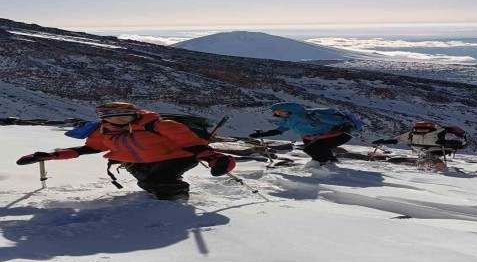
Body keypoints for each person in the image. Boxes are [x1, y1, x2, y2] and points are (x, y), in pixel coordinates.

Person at [16, 102, 236, 201]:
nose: (119, 121)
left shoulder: (161, 124)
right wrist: (51, 155)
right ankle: (163, 200)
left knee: (163, 180)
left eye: (124, 116)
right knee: (148, 182)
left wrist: (213, 157)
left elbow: (190, 142)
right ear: (104, 119)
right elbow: (90, 148)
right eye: (113, 117)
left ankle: (175, 206)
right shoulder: (103, 131)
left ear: (135, 114)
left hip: (176, 157)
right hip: (134, 161)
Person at [248, 103, 354, 167]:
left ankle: (321, 165)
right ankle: (330, 163)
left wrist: (343, 127)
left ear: (290, 111)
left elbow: (341, 122)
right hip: (315, 137)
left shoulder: (312, 116)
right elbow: (279, 130)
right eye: (276, 113)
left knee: (311, 149)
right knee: (317, 148)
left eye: (280, 112)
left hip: (338, 135)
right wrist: (263, 134)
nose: (277, 114)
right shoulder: (288, 120)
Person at [371, 121, 467, 169]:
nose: (421, 131)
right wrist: (384, 141)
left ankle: (438, 167)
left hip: (436, 149)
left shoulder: (440, 132)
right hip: (428, 149)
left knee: (428, 156)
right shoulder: (414, 133)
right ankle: (430, 165)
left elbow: (397, 139)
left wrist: (453, 143)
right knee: (427, 156)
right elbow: (398, 139)